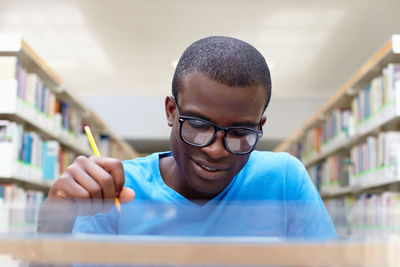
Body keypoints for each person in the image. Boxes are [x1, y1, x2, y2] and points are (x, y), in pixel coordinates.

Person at [37, 36, 337, 238]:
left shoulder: (284, 180)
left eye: (241, 133)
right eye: (198, 124)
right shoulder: (114, 190)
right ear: (171, 111)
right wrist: (52, 227)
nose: (217, 151)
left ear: (260, 126)